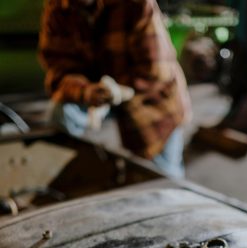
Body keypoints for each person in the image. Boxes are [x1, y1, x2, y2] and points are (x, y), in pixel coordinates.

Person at [38, 0, 191, 178]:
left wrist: (115, 90)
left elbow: (155, 70)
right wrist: (86, 91)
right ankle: (68, 179)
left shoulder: (136, 4)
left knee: (161, 176)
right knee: (63, 112)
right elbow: (59, 67)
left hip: (150, 97)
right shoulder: (57, 8)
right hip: (97, 91)